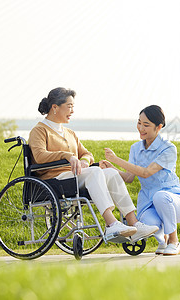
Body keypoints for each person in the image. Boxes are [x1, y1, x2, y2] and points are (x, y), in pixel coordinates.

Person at [28, 87, 158, 242]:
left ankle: (133, 223)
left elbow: (86, 154)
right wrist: (66, 155)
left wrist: (84, 161)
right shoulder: (39, 130)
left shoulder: (70, 133)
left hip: (75, 176)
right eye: (69, 106)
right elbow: (39, 156)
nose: (72, 111)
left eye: (73, 107)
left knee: (110, 173)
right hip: (55, 179)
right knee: (95, 172)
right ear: (55, 107)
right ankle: (111, 224)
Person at [101, 105, 180, 255]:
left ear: (159, 127)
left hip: (174, 201)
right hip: (148, 202)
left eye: (146, 125)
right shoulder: (135, 148)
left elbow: (146, 173)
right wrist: (112, 169)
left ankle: (174, 241)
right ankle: (163, 241)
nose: (141, 128)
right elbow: (130, 177)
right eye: (139, 123)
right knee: (148, 224)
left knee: (160, 196)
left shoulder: (168, 148)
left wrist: (116, 159)